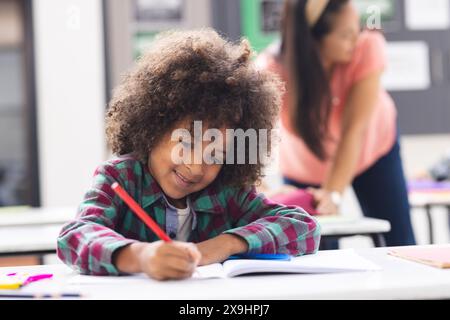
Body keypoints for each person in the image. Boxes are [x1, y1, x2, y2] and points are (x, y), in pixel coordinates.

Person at [57, 29, 320, 281]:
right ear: (154, 126)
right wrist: (141, 256)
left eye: (215, 155)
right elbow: (74, 237)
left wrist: (223, 245)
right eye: (187, 142)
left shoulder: (226, 191)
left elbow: (303, 228)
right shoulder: (119, 178)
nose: (195, 168)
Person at [256, 0, 416, 247]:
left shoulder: (367, 46)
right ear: (314, 39)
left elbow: (354, 130)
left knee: (399, 240)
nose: (356, 39)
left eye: (357, 29)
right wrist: (263, 191)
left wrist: (333, 193)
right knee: (314, 251)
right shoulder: (272, 69)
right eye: (345, 35)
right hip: (304, 168)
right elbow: (244, 136)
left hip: (371, 150)